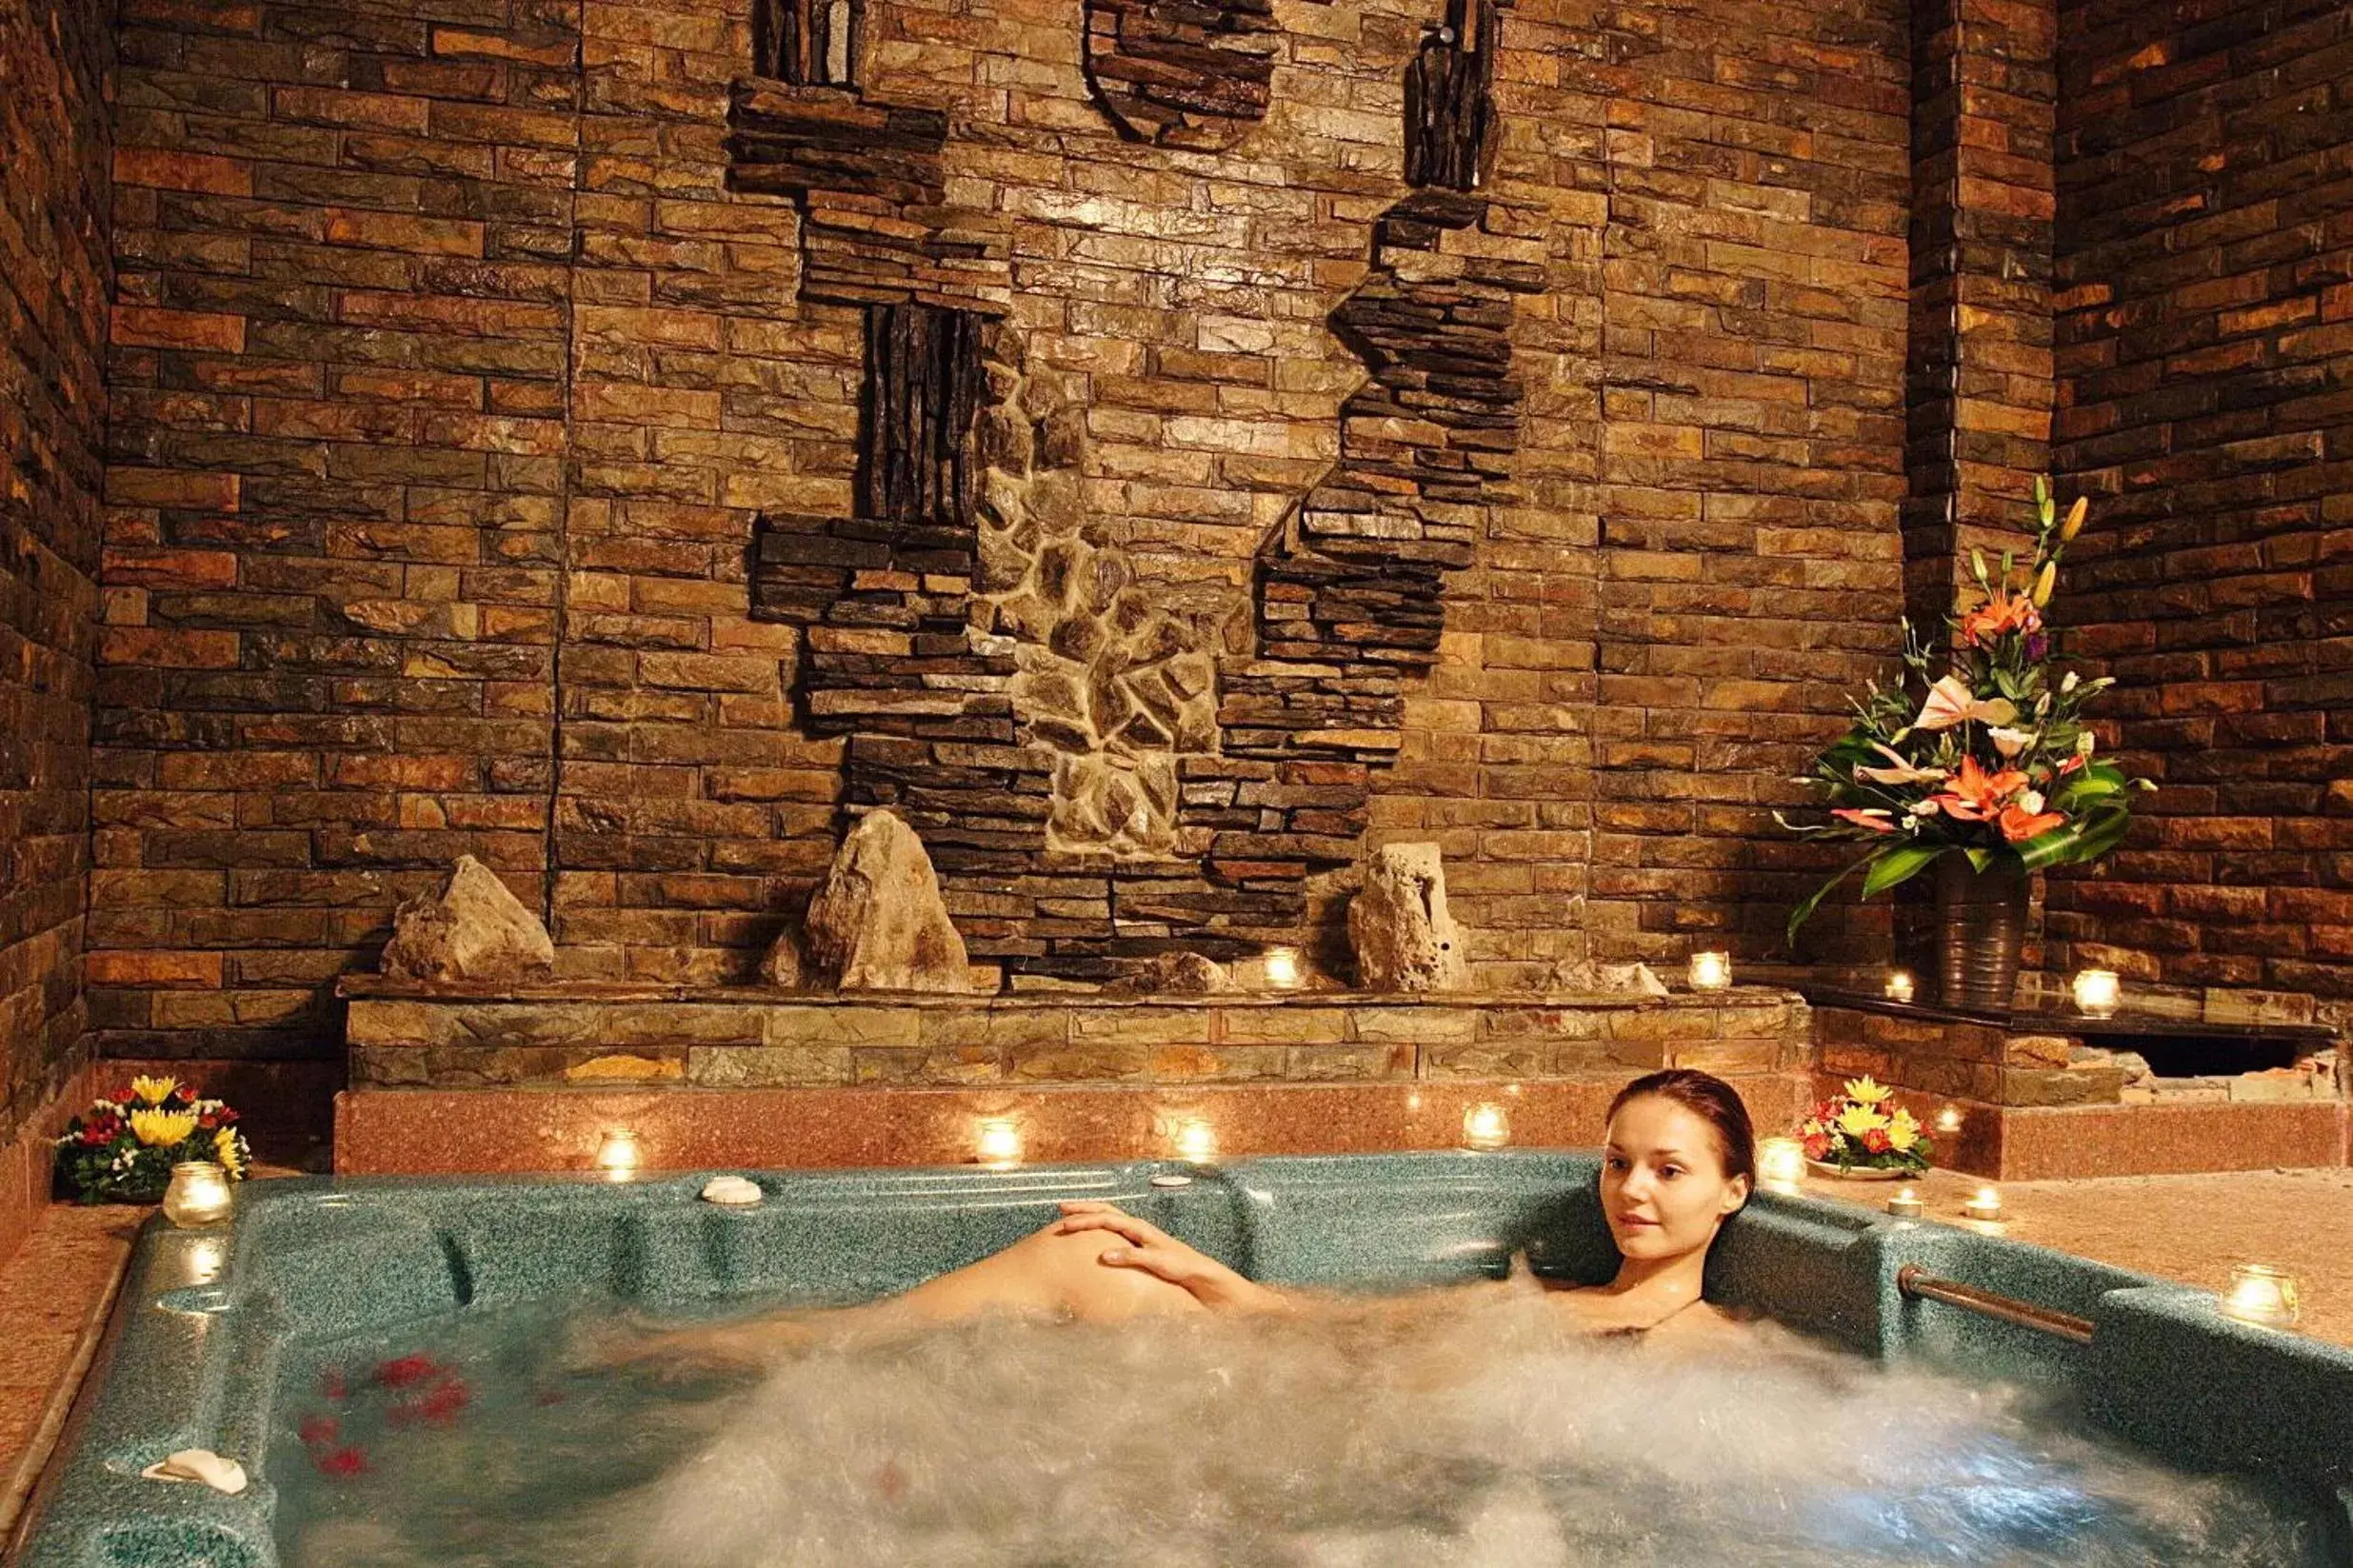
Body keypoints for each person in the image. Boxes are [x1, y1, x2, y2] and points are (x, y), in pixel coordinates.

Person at [623, 1068, 1756, 1365]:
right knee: (1097, 1249)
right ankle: (746, 1352)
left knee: (1090, 1269)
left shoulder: (1705, 1348)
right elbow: (1356, 1328)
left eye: (1668, 1171)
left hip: (1351, 1443)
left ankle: (713, 1356)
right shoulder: (1553, 1293)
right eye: (1617, 1163)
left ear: (1733, 1191)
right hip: (1317, 1388)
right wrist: (1205, 1272)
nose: (1632, 1192)